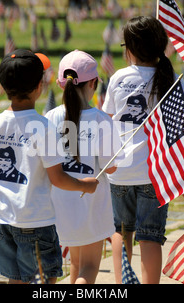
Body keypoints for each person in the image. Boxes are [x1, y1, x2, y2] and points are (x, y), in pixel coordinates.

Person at [0, 49, 99, 284]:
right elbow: (58, 178)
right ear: (39, 87)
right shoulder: (42, 127)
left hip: (1, 220)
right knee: (44, 281)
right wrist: (85, 185)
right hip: (35, 222)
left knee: (16, 279)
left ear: (3, 87)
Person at [102, 16, 184, 284]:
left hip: (119, 171)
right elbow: (183, 127)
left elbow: (107, 123)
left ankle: (123, 284)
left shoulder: (119, 78)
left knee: (121, 231)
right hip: (156, 173)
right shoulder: (174, 81)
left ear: (129, 48)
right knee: (151, 236)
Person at [45, 50, 118, 284]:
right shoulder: (101, 119)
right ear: (93, 84)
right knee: (89, 266)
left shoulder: (49, 117)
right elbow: (111, 168)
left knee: (76, 263)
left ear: (60, 84)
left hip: (59, 205)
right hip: (91, 206)